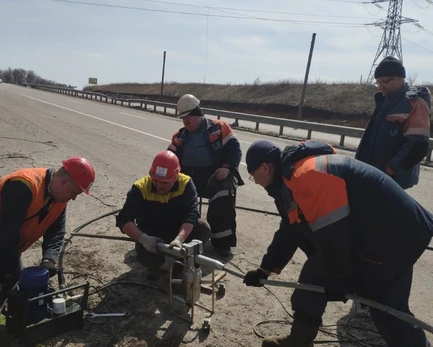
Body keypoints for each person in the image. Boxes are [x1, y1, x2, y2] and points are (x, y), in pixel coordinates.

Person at [243, 139, 432, 347]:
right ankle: (299, 339)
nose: (256, 182)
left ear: (264, 167)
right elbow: (290, 231)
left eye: (253, 176)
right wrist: (265, 269)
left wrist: (337, 279)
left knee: (388, 311)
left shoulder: (306, 177)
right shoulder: (290, 180)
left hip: (392, 236)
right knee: (314, 277)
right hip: (378, 232)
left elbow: (334, 235)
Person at [0, 157, 95, 312]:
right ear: (64, 182)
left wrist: (49, 259)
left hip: (9, 240)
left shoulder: (59, 199)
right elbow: (8, 233)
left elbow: (56, 231)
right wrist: (11, 276)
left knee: (18, 283)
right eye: (75, 192)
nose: (74, 198)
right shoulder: (23, 185)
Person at [167, 94, 244, 258]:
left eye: (187, 117)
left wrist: (227, 169)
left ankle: (222, 242)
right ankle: (179, 234)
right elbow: (169, 156)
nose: (185, 122)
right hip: (188, 176)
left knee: (224, 191)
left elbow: (235, 150)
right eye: (182, 118)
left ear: (197, 113)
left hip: (214, 175)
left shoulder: (219, 128)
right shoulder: (179, 136)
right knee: (169, 191)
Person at [116, 150, 211, 275]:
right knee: (149, 259)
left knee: (203, 228)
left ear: (176, 177)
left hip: (177, 229)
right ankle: (153, 266)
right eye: (155, 180)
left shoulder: (186, 184)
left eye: (164, 182)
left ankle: (181, 265)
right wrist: (144, 239)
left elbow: (191, 214)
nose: (159, 186)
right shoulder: (140, 188)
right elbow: (124, 220)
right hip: (151, 233)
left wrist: (180, 239)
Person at [356, 56, 431, 190]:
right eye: (378, 83)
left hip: (390, 180)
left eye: (384, 82)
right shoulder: (384, 102)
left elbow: (417, 146)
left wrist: (389, 170)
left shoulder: (415, 104)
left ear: (399, 79)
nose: (380, 87)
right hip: (372, 175)